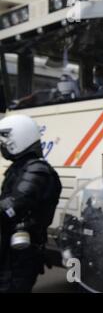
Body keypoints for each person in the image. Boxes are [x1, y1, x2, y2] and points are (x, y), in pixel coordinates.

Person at [0, 115, 62, 293]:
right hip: (9, 250)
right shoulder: (19, 168)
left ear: (20, 137)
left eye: (5, 138)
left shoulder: (37, 170)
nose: (2, 145)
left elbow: (12, 206)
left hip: (20, 255)